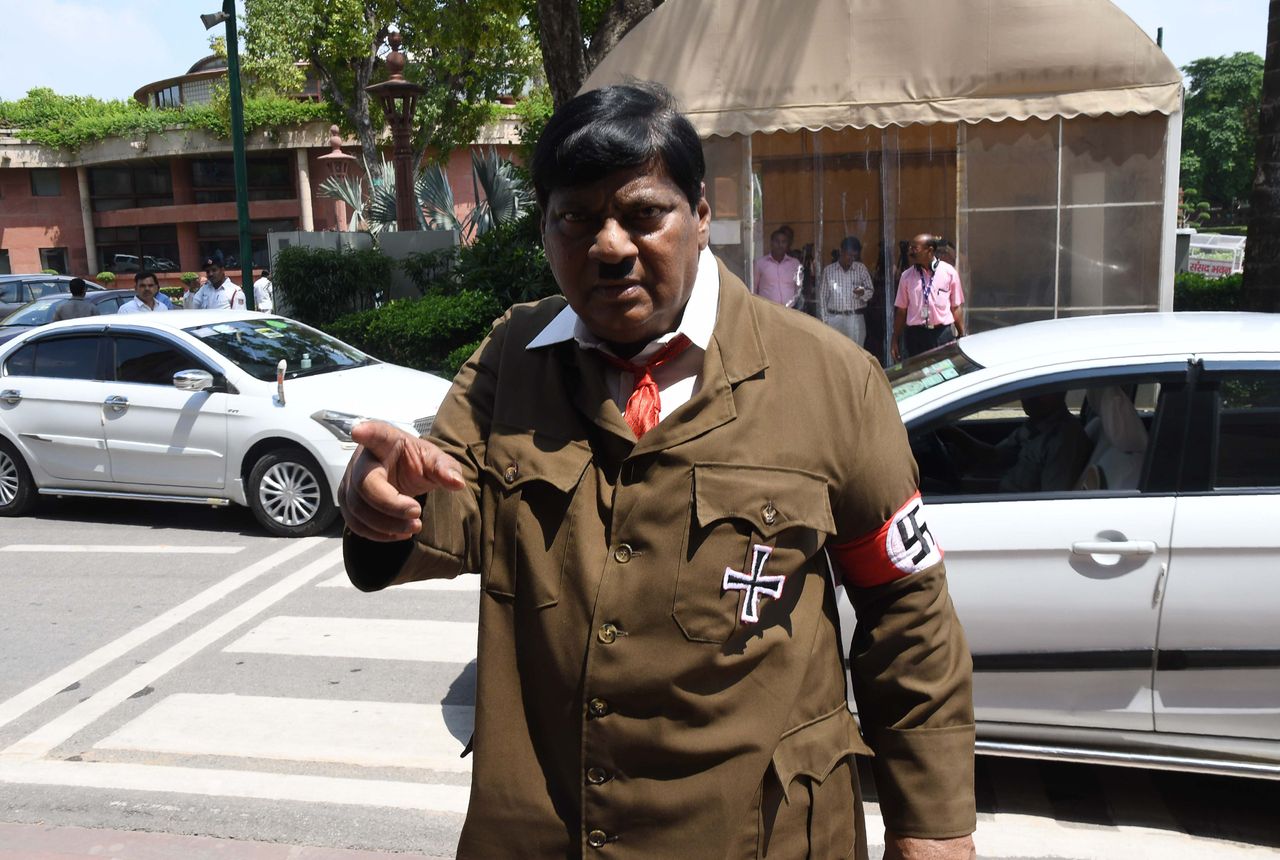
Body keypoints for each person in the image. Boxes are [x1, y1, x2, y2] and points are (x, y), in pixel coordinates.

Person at [339, 83, 976, 860]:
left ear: (701, 214)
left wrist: (932, 828)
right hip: (550, 828)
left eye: (643, 213)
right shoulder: (516, 357)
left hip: (760, 835)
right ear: (544, 228)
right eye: (575, 219)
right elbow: (451, 504)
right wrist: (380, 501)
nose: (609, 246)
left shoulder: (833, 380)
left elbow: (905, 608)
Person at [942, 391, 1092, 494]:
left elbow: (1052, 500)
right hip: (1003, 493)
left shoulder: (1064, 441)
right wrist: (954, 434)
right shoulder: (1036, 424)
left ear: (1061, 392)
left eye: (1041, 391)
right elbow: (995, 456)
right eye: (1028, 390)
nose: (1030, 397)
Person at [891, 233, 966, 363]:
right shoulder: (906, 277)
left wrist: (961, 334)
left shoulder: (949, 273)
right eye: (910, 248)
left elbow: (956, 307)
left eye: (915, 248)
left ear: (929, 250)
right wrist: (894, 340)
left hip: (942, 334)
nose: (910, 252)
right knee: (917, 374)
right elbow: (901, 311)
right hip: (916, 336)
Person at [820, 236, 875, 346]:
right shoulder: (829, 271)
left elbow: (870, 291)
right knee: (835, 351)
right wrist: (825, 320)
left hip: (855, 318)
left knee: (856, 352)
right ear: (841, 251)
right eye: (849, 255)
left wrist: (862, 292)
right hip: (834, 318)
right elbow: (823, 297)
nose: (851, 259)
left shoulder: (861, 269)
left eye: (855, 256)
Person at [752, 227, 802, 306]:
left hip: (790, 311)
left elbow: (799, 288)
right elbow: (753, 289)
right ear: (771, 243)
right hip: (768, 310)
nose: (780, 245)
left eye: (783, 242)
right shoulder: (760, 263)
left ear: (787, 244)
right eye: (777, 241)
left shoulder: (795, 264)